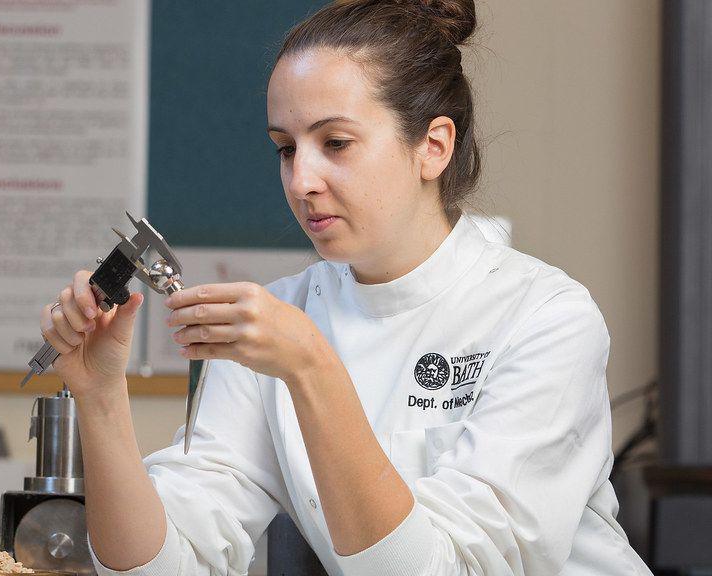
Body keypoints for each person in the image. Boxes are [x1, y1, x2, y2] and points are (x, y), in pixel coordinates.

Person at [39, 1, 652, 574]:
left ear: (432, 147)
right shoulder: (277, 322)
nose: (301, 179)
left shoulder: (546, 318)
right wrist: (100, 399)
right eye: (285, 148)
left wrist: (311, 368)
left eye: (335, 143)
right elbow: (169, 563)